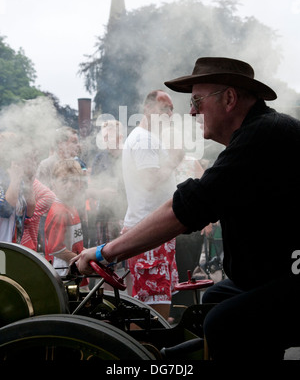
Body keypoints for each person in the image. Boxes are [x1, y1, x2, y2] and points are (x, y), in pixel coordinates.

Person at [73, 57, 300, 360]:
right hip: (278, 272)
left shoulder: (262, 135)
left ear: (230, 98)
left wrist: (104, 253)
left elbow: (188, 207)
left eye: (196, 101)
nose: (192, 111)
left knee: (224, 322)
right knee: (215, 299)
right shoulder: (258, 133)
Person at [120, 90, 184, 319]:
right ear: (147, 109)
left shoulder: (150, 138)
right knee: (151, 313)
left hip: (155, 232)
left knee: (157, 305)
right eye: (163, 108)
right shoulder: (143, 139)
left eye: (171, 109)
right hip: (149, 233)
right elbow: (150, 181)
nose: (169, 113)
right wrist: (174, 160)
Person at [44, 159, 88, 290]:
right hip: (63, 276)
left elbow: (74, 242)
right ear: (53, 183)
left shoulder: (71, 207)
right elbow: (56, 249)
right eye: (64, 181)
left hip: (73, 272)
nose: (70, 186)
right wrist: (80, 260)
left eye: (74, 181)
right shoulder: (59, 212)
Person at [0, 133, 36, 243]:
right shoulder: (4, 177)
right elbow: (5, 210)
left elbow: (29, 212)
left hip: (13, 246)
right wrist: (15, 179)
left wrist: (29, 181)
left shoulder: (21, 178)